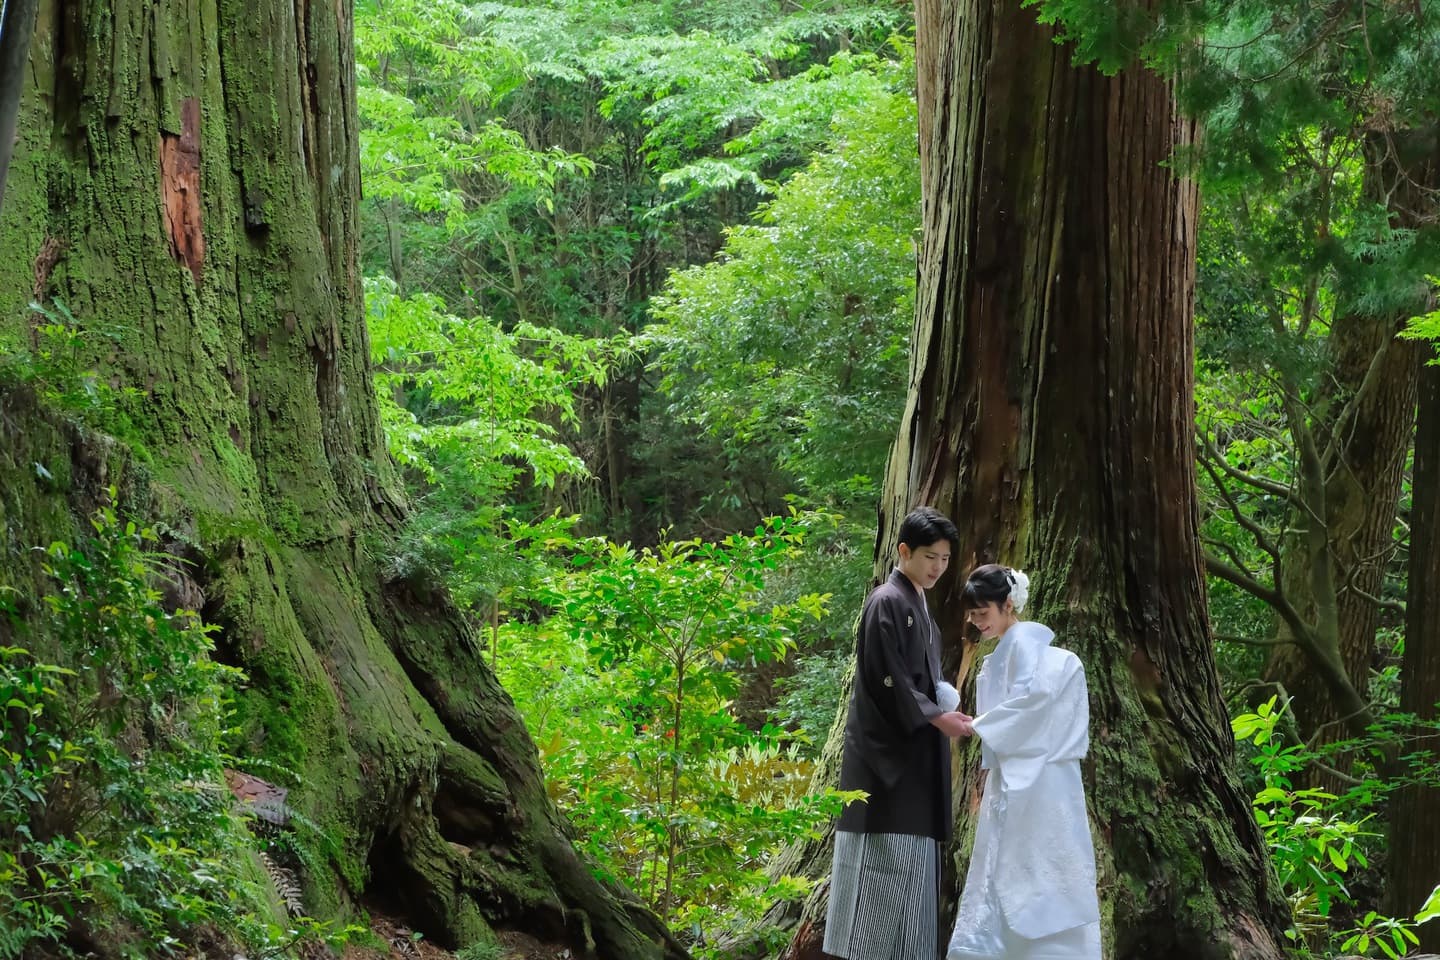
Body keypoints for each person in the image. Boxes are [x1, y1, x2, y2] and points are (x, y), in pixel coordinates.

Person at [825, 506, 970, 960]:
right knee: (881, 871)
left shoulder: (917, 603)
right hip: (884, 766)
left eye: (945, 559)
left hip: (911, 762)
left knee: (911, 873)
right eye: (930, 557)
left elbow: (915, 680)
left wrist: (938, 704)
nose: (937, 568)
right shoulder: (887, 600)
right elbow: (887, 680)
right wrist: (935, 715)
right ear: (903, 551)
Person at [946, 564, 1101, 960]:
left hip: (1039, 778)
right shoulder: (1006, 653)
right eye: (973, 613)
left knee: (1036, 862)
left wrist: (978, 725)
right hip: (1019, 776)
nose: (975, 621)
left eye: (983, 612)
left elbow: (1032, 704)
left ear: (1008, 604)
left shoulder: (1031, 651)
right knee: (1015, 864)